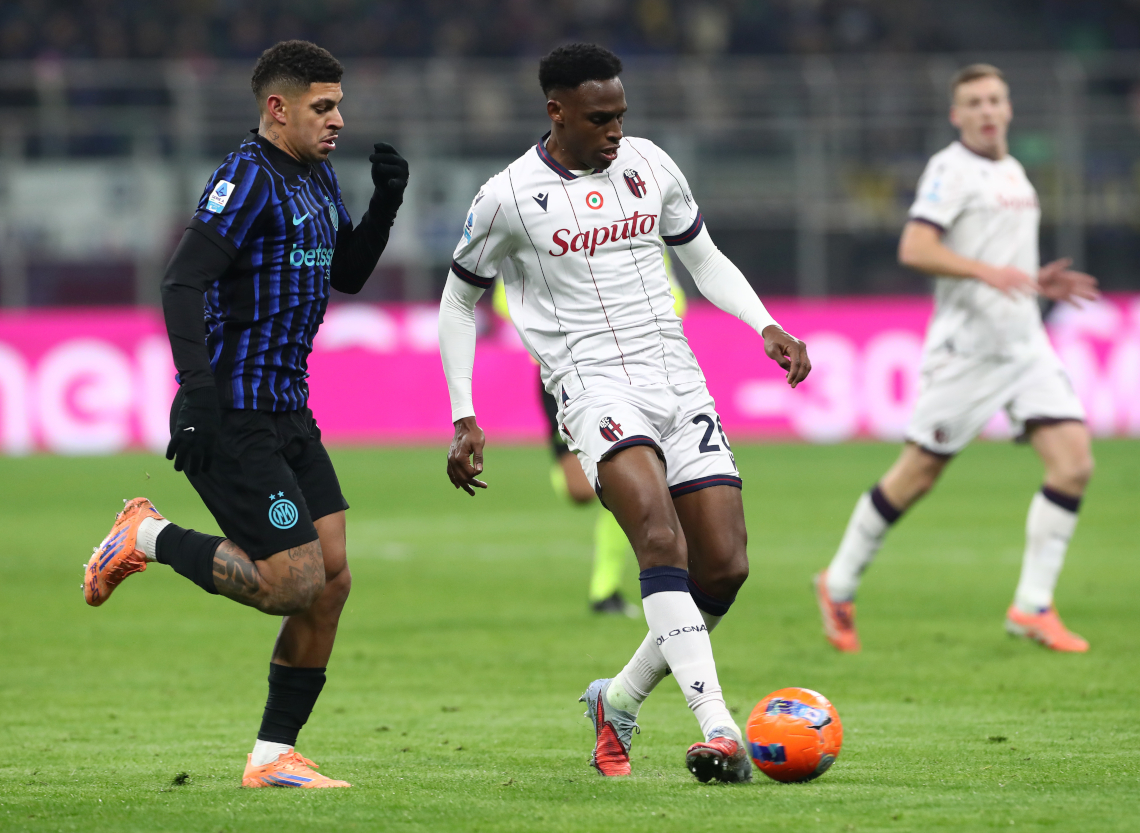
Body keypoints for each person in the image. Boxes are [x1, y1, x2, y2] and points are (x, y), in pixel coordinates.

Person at [438, 43, 810, 782]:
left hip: (678, 377)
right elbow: (459, 298)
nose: (614, 131)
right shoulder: (508, 196)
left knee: (725, 568)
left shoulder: (649, 164)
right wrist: (464, 412)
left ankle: (620, 698)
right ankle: (721, 729)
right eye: (598, 118)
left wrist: (763, 322)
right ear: (557, 112)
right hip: (591, 384)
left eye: (620, 115)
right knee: (658, 538)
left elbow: (701, 256)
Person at [82, 40, 409, 787]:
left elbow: (349, 273)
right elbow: (180, 280)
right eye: (323, 107)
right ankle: (148, 534)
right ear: (277, 108)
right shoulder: (246, 177)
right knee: (292, 581)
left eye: (339, 104)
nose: (338, 119)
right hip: (231, 409)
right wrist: (195, 391)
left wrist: (385, 202)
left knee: (332, 580)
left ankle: (271, 756)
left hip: (290, 409)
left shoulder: (319, 176)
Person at [813, 64, 1100, 654]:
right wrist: (988, 272)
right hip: (966, 353)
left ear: (1010, 107)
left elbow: (1003, 259)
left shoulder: (1015, 173)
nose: (988, 110)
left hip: (1024, 345)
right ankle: (837, 583)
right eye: (974, 102)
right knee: (919, 473)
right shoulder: (950, 169)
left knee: (1073, 463)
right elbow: (915, 246)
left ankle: (1032, 607)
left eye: (996, 99)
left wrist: (1032, 281)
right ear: (957, 114)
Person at [492, 256, 688, 618]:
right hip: (562, 372)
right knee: (580, 491)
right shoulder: (543, 230)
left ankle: (605, 591)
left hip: (630, 370)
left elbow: (674, 296)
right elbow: (505, 299)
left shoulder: (639, 232)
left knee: (631, 478)